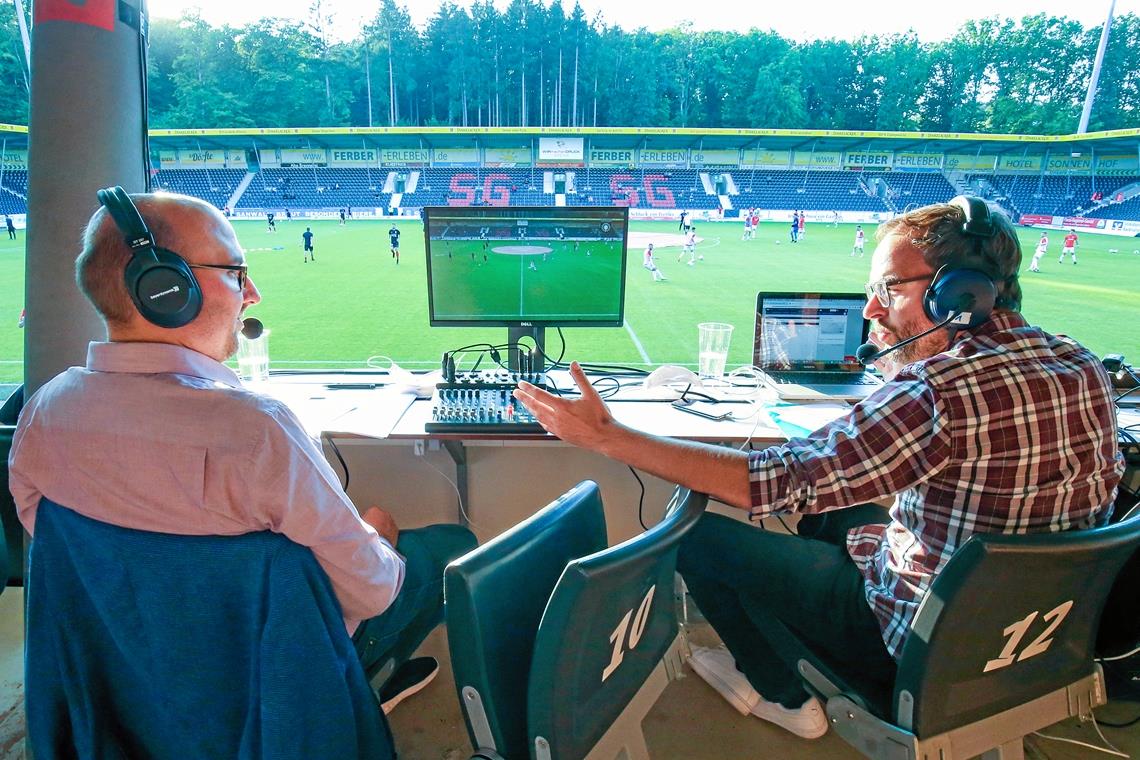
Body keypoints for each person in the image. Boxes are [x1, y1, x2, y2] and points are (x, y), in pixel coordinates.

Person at [513, 199, 1122, 741]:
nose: (871, 311)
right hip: (1019, 632)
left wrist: (606, 435)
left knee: (694, 535)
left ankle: (781, 696)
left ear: (956, 295)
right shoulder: (1083, 364)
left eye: (888, 289)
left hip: (914, 642)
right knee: (834, 510)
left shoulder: (934, 392)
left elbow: (771, 481)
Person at [9, 192, 477, 720]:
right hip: (269, 672)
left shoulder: (42, 412)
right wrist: (378, 534)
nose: (251, 293)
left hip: (131, 677)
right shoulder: (257, 429)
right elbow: (371, 593)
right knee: (448, 546)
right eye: (235, 272)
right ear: (165, 288)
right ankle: (350, 691)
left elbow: (59, 549)